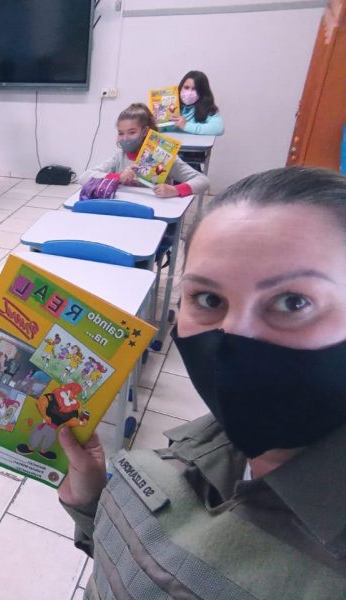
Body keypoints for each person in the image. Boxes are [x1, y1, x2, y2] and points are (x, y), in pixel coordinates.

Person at [59, 166, 346, 599]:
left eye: (293, 302)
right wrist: (93, 501)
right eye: (208, 299)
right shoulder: (187, 453)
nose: (235, 336)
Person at [79, 103, 209, 199]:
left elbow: (202, 180)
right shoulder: (119, 157)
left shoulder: (163, 156)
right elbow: (84, 177)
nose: (125, 138)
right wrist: (119, 177)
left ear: (145, 131)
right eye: (120, 133)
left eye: (132, 132)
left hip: (155, 211)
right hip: (124, 209)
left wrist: (175, 190)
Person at [163, 70, 225, 136]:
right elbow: (161, 129)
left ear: (202, 92)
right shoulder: (170, 106)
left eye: (195, 89)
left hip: (194, 143)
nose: (189, 93)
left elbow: (218, 128)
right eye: (186, 87)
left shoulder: (206, 109)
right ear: (181, 87)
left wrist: (186, 126)